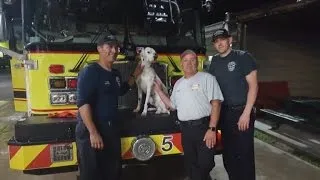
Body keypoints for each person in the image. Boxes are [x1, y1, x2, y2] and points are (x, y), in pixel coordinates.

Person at [75, 35, 143, 180]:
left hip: (111, 131)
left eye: (116, 47)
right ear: (99, 49)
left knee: (113, 172)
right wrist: (93, 132)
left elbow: (121, 90)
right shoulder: (90, 72)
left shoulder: (115, 74)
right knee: (92, 174)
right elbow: (83, 103)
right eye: (109, 47)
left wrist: (135, 74)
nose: (114, 50)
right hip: (92, 132)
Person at [154, 49, 224, 180]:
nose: (189, 63)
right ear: (181, 64)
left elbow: (216, 103)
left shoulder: (207, 78)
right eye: (186, 60)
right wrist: (158, 90)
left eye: (192, 60)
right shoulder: (178, 84)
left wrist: (212, 129)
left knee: (206, 163)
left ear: (197, 63)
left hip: (204, 128)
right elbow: (171, 105)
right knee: (190, 163)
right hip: (186, 130)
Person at [208, 28, 258, 180]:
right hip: (224, 114)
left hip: (241, 112)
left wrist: (246, 113)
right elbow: (211, 88)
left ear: (230, 40)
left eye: (222, 39)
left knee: (244, 155)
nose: (219, 43)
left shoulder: (243, 57)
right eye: (216, 41)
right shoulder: (215, 61)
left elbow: (254, 86)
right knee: (229, 155)